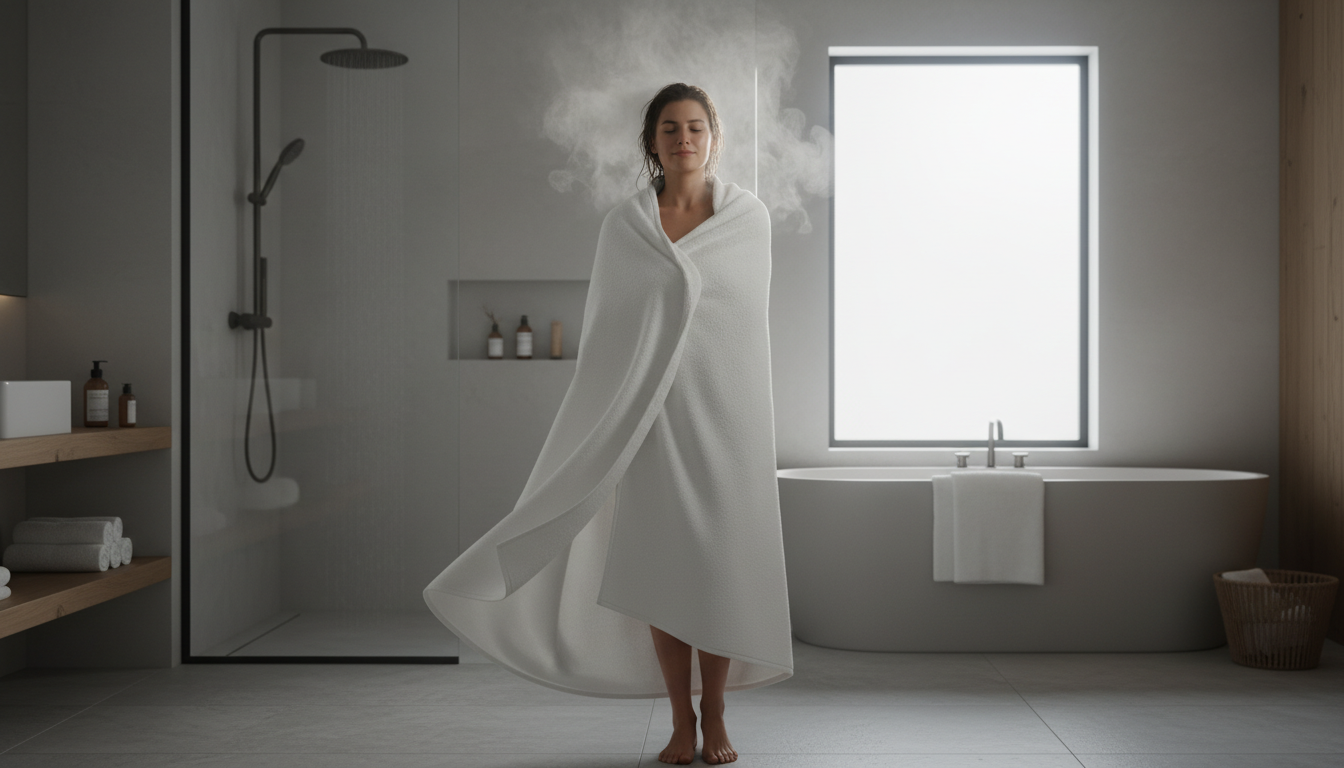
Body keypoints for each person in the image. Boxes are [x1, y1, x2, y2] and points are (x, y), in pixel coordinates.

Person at [422, 82, 791, 766]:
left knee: (717, 571)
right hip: (650, 421)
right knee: (663, 573)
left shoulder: (748, 219)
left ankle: (717, 712)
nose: (683, 139)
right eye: (669, 128)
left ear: (714, 138)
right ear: (651, 141)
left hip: (723, 419)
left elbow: (744, 329)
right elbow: (610, 331)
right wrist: (616, 411)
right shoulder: (627, 226)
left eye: (696, 127)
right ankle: (681, 719)